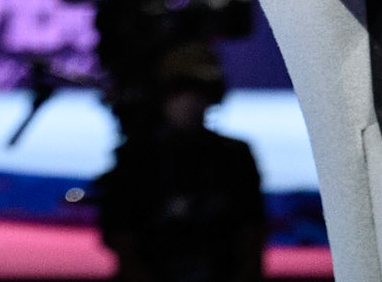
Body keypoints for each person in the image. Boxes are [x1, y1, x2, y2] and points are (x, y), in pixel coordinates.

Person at [94, 43, 265, 282]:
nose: (190, 102)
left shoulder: (234, 157)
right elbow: (122, 239)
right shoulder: (136, 159)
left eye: (200, 92)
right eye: (179, 91)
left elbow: (252, 234)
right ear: (162, 95)